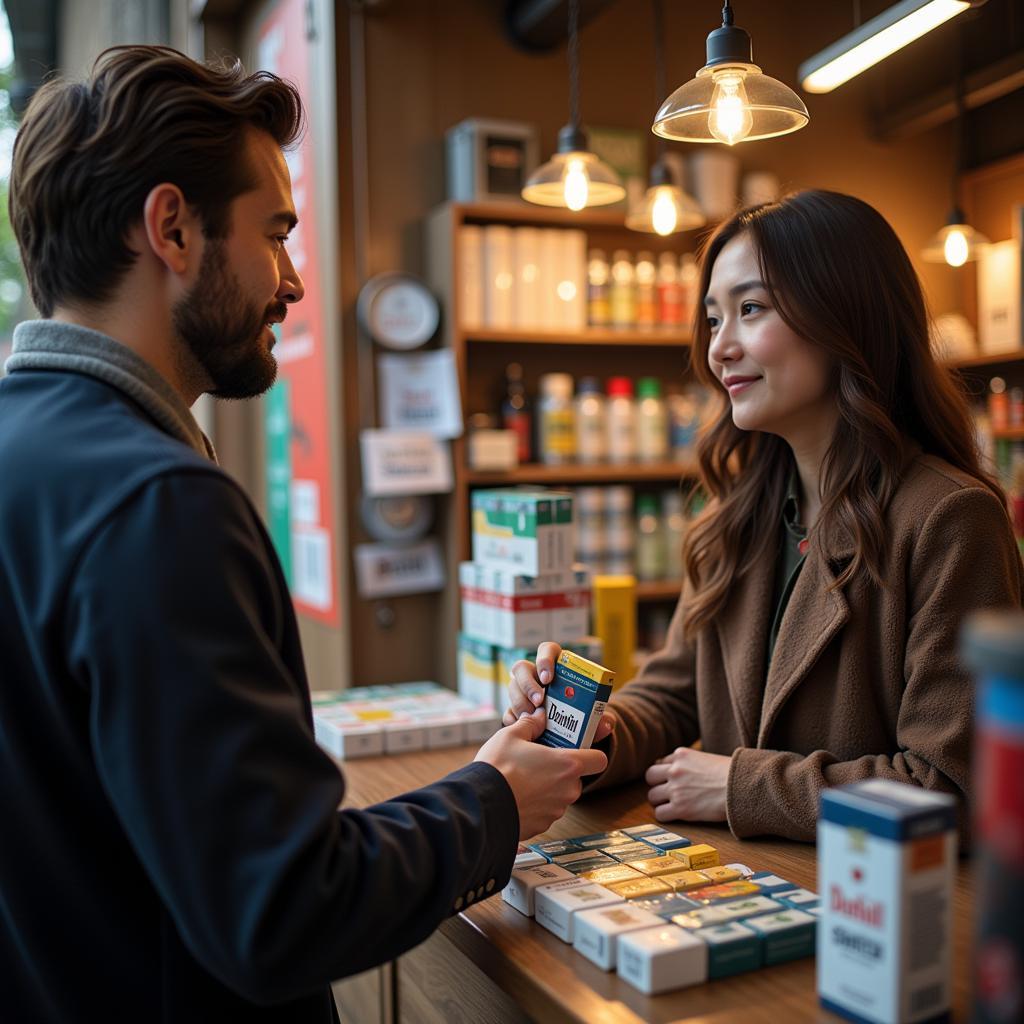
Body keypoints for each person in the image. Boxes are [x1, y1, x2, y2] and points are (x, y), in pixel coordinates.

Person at [0, 46, 606, 1023]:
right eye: (275, 234)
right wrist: (489, 801)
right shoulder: (157, 500)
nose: (289, 281)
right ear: (172, 229)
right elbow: (279, 910)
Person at [506, 189, 1023, 843]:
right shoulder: (739, 514)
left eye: (750, 309)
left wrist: (739, 787)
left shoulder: (949, 519)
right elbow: (671, 699)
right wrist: (582, 729)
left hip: (862, 907)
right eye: (714, 319)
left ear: (848, 315)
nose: (720, 348)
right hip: (730, 888)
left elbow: (949, 786)